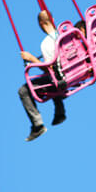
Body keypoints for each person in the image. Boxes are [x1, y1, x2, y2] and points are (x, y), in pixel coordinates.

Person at [18, 9, 66, 141]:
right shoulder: (65, 34)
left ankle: (37, 124)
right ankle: (59, 110)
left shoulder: (46, 43)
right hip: (72, 72)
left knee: (23, 90)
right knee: (49, 78)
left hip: (60, 79)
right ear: (53, 20)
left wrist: (32, 59)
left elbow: (48, 69)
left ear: (41, 24)